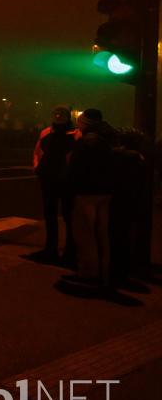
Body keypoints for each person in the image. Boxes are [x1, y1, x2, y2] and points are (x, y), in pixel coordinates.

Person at [64, 109, 116, 289]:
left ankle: (88, 274)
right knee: (102, 236)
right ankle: (104, 273)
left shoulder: (86, 141)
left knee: (85, 234)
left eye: (79, 121)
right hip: (105, 193)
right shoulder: (108, 138)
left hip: (86, 193)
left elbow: (74, 169)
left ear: (85, 123)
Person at [28, 106, 78, 265]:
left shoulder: (75, 134)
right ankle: (51, 249)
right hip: (49, 178)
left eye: (61, 114)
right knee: (51, 215)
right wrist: (37, 167)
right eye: (55, 113)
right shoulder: (46, 132)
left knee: (68, 216)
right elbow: (37, 152)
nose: (57, 116)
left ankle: (69, 251)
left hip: (66, 180)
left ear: (67, 117)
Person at [110, 130, 148, 287]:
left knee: (117, 238)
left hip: (118, 201)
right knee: (125, 237)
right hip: (131, 201)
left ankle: (116, 273)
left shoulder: (119, 156)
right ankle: (123, 272)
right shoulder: (138, 158)